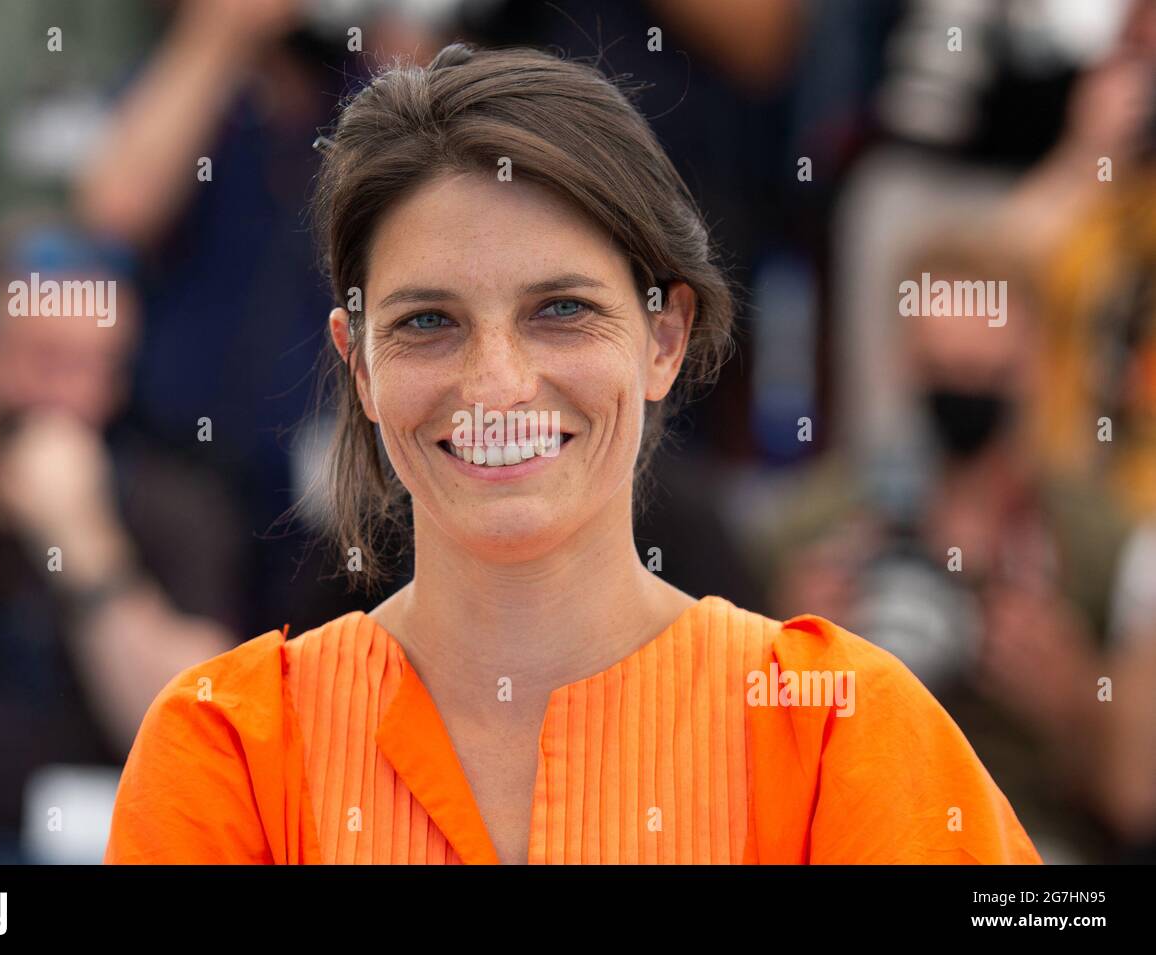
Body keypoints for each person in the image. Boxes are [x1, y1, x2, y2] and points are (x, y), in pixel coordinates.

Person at [103, 44, 1041, 865]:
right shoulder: (231, 749)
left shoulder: (841, 729)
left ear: (664, 338)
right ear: (360, 367)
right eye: (428, 322)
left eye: (562, 310)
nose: (498, 382)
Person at [0, 213, 241, 862]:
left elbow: (202, 738)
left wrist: (85, 545)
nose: (79, 401)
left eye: (102, 368)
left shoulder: (174, 512)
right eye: (50, 363)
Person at [764, 227, 1143, 863]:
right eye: (944, 373)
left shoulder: (1105, 545)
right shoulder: (816, 529)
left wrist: (1079, 702)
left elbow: (1134, 803)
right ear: (904, 362)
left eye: (988, 374)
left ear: (1036, 366)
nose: (965, 395)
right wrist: (786, 651)